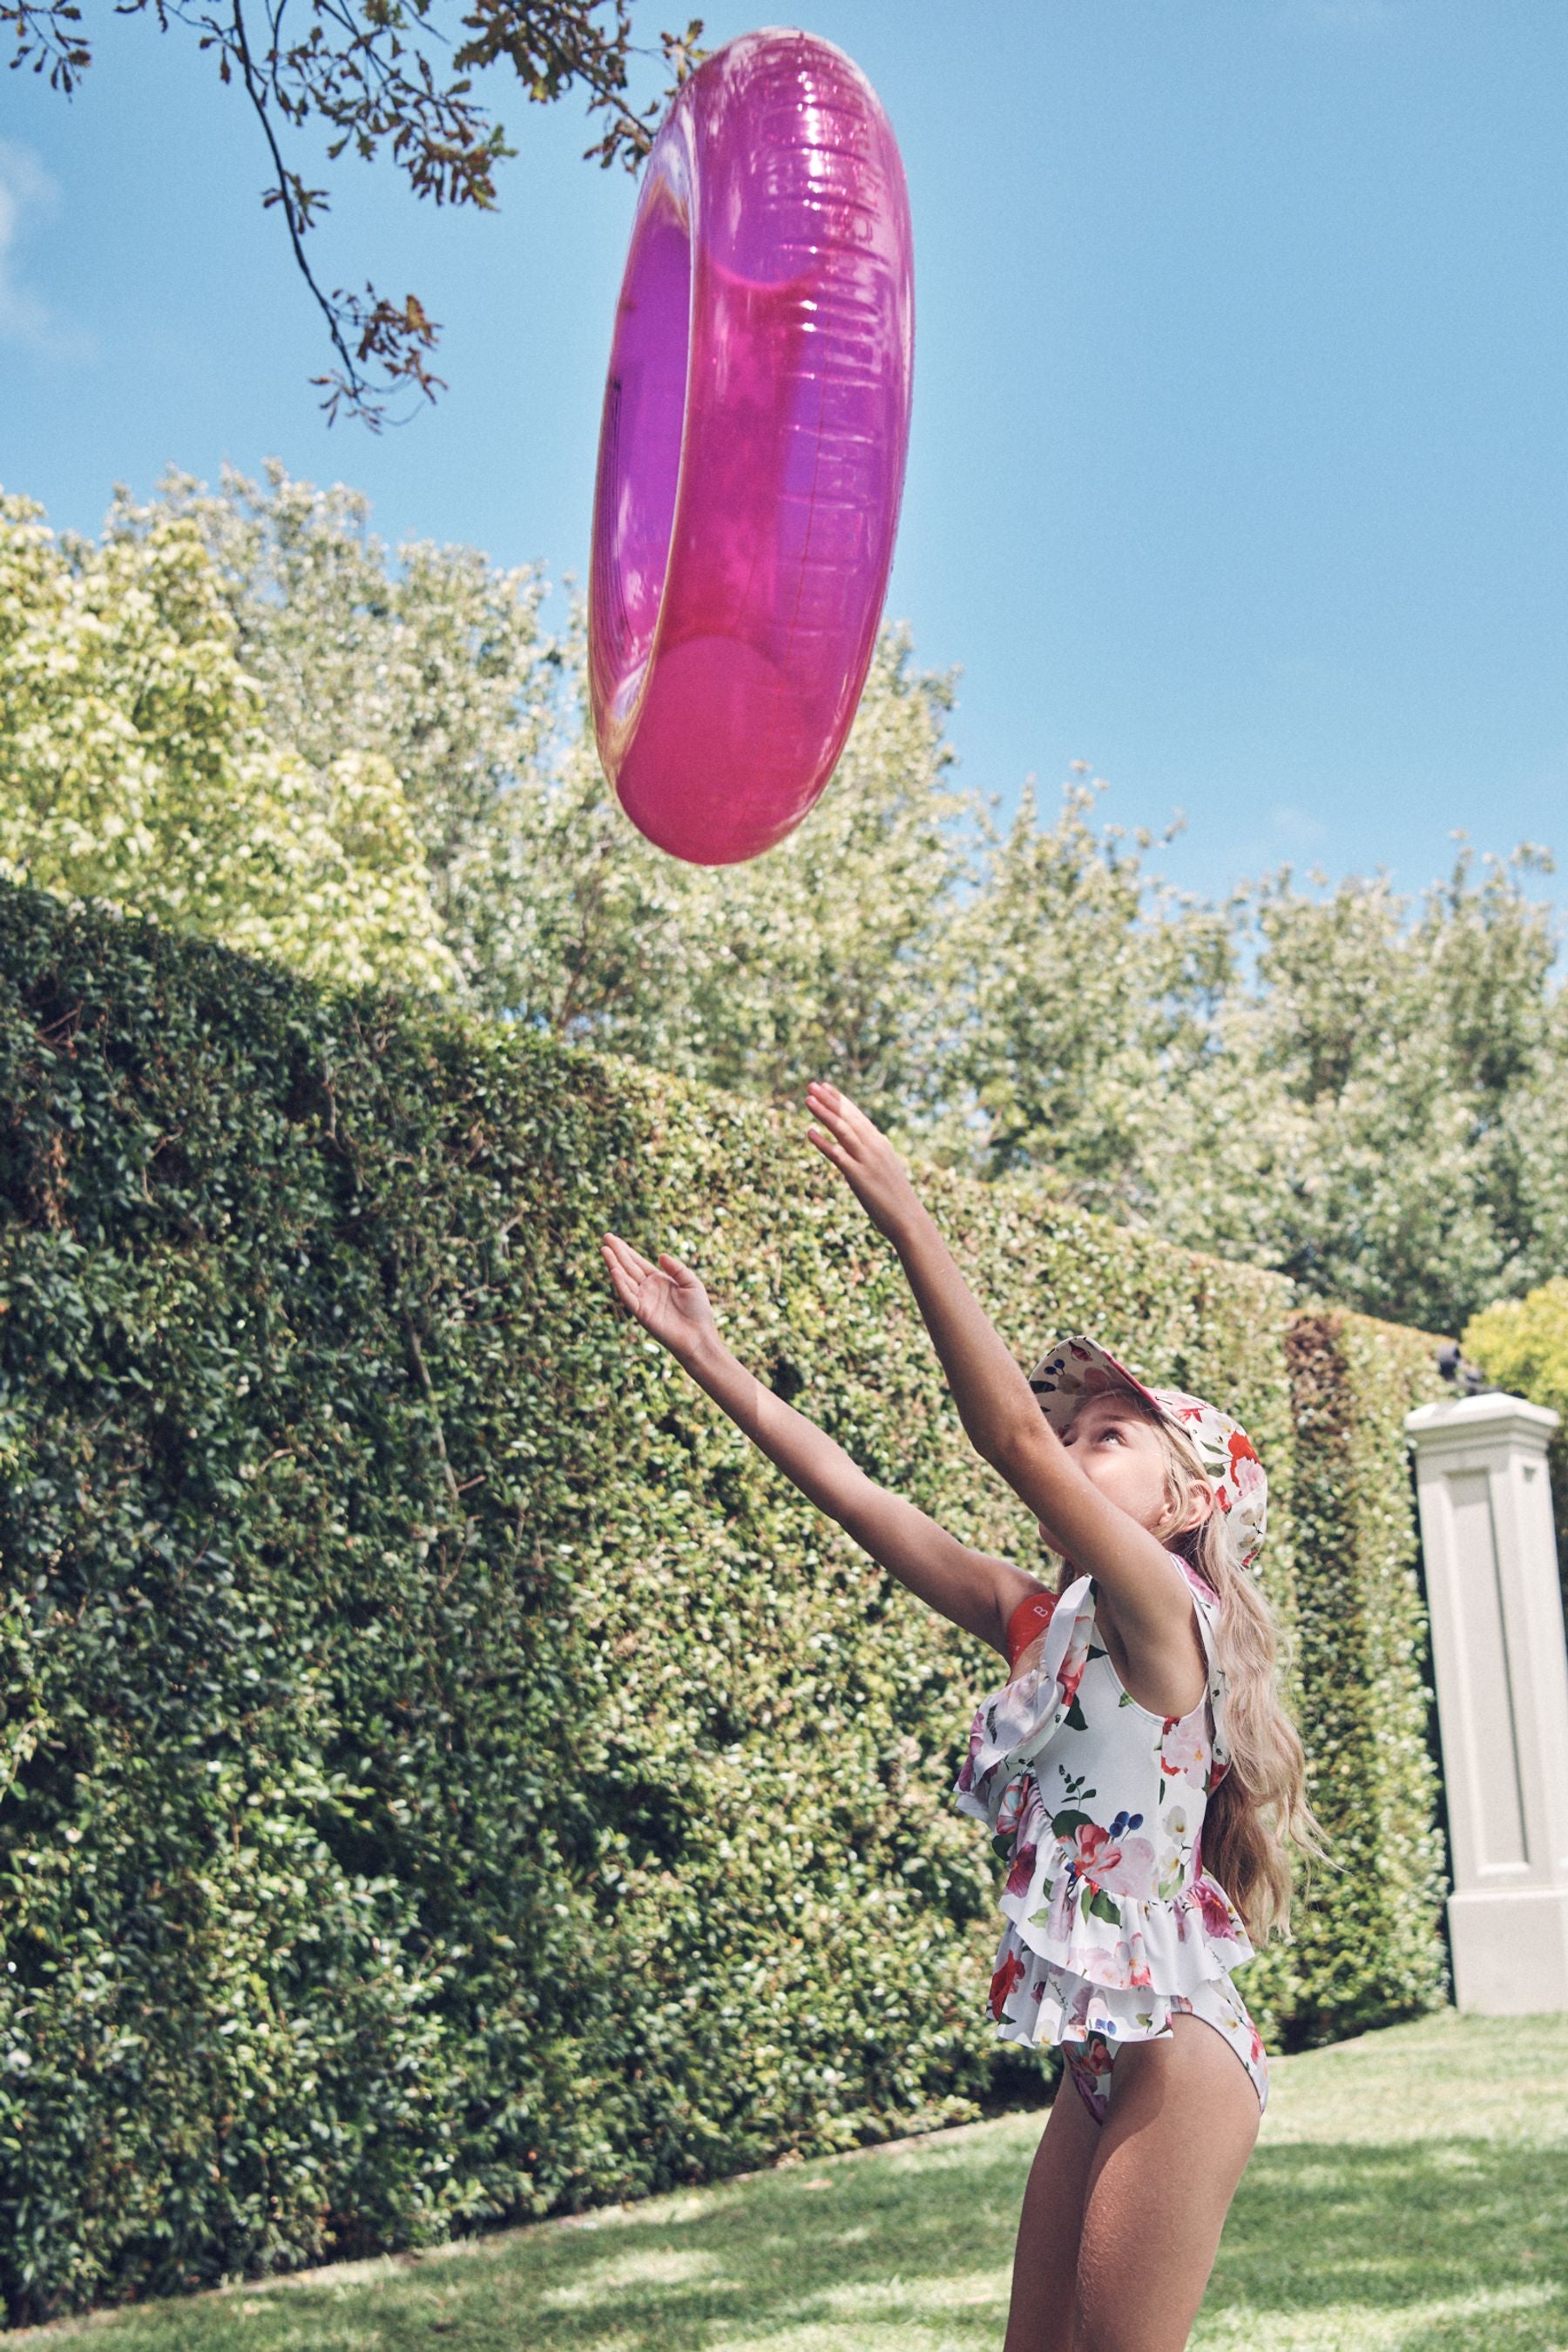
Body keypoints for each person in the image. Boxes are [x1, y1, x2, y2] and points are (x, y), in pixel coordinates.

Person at [600, 1078, 1322, 2352]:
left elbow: (1010, 1445)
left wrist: (908, 1222)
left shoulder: (1165, 1615)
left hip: (1182, 2057)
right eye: (1079, 1427)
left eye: (1115, 1434)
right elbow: (862, 1502)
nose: (1077, 1441)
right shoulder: (1050, 1624)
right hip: (1100, 2061)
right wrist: (710, 1360)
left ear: (1184, 1506)